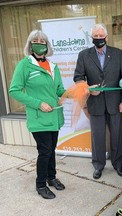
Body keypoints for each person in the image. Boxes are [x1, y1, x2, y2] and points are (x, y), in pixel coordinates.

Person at [9, 30, 66, 199]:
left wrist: (72, 93)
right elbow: (14, 90)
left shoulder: (53, 66)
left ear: (47, 45)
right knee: (45, 151)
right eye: (36, 40)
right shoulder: (24, 65)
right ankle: (40, 184)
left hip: (54, 117)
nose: (39, 42)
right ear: (30, 44)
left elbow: (59, 90)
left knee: (51, 149)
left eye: (43, 40)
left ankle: (51, 177)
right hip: (38, 117)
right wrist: (38, 104)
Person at [73, 23, 122, 179]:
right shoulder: (84, 55)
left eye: (101, 36)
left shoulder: (118, 54)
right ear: (92, 38)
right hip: (95, 103)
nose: (99, 39)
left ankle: (118, 164)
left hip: (115, 103)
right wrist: (89, 88)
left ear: (107, 37)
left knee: (116, 136)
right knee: (97, 137)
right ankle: (98, 165)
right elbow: (78, 77)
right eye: (95, 37)